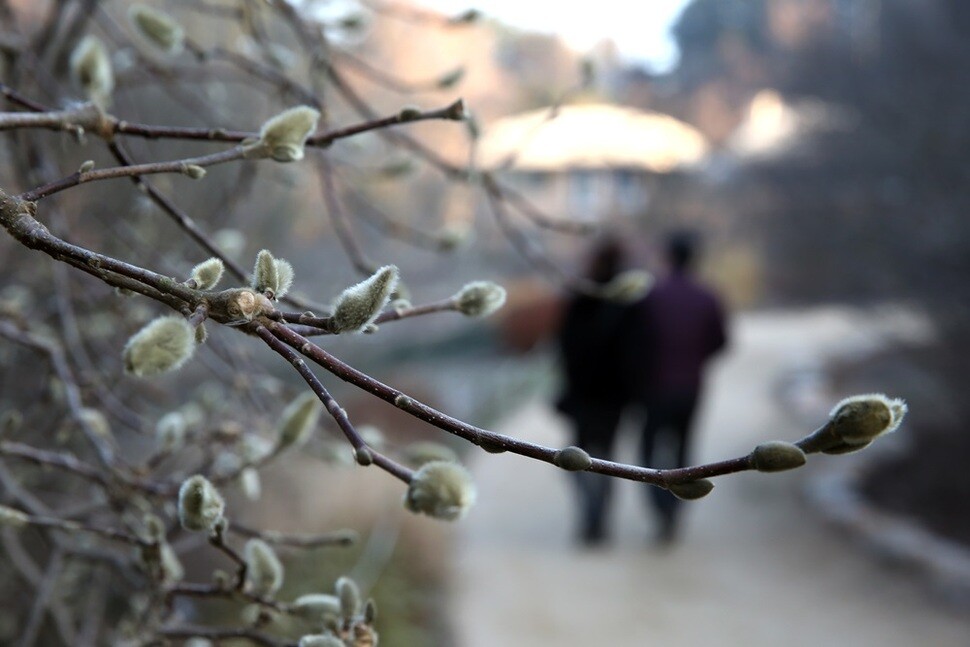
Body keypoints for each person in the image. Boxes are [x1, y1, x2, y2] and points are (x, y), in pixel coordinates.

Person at [635, 231, 728, 544]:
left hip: (655, 387)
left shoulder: (652, 296)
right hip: (690, 387)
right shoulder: (707, 297)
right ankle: (674, 510)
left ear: (669, 257)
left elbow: (637, 342)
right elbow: (720, 341)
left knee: (648, 451)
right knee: (683, 449)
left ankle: (661, 508)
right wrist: (695, 358)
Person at [555, 236, 640, 546]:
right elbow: (636, 351)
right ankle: (598, 518)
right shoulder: (627, 302)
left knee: (578, 456)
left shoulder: (583, 296)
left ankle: (591, 517)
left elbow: (564, 344)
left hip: (584, 395)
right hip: (612, 397)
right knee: (606, 459)